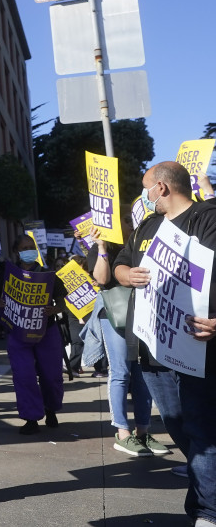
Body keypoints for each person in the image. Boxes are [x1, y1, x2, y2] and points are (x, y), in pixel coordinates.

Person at [114, 162, 216, 524]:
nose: (144, 195)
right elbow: (120, 267)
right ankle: (206, 496)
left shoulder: (208, 218)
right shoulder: (148, 225)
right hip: (151, 346)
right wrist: (129, 275)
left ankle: (207, 511)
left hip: (196, 346)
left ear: (162, 188)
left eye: (146, 187)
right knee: (177, 425)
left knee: (201, 428)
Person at [90, 228, 167, 459]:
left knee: (143, 372)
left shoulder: (142, 242)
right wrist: (102, 247)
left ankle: (142, 432)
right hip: (116, 314)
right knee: (121, 372)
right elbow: (101, 279)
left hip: (142, 312)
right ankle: (122, 433)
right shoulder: (101, 247)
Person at [0, 234, 66, 435]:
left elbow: (63, 303)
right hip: (18, 332)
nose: (30, 250)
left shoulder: (49, 274)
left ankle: (51, 409)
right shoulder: (6, 273)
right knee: (24, 375)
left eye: (32, 246)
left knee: (51, 375)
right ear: (16, 252)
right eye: (25, 247)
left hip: (47, 332)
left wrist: (54, 310)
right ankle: (31, 418)